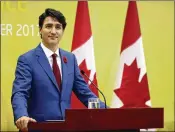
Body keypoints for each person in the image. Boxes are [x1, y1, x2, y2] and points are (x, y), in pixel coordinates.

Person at [11, 8, 106, 131]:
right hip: (39, 127)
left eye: (58, 27)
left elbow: (85, 93)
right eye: (48, 26)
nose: (53, 31)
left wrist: (110, 113)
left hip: (65, 127)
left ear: (62, 31)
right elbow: (20, 92)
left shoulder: (70, 59)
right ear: (40, 29)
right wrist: (22, 115)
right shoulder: (27, 59)